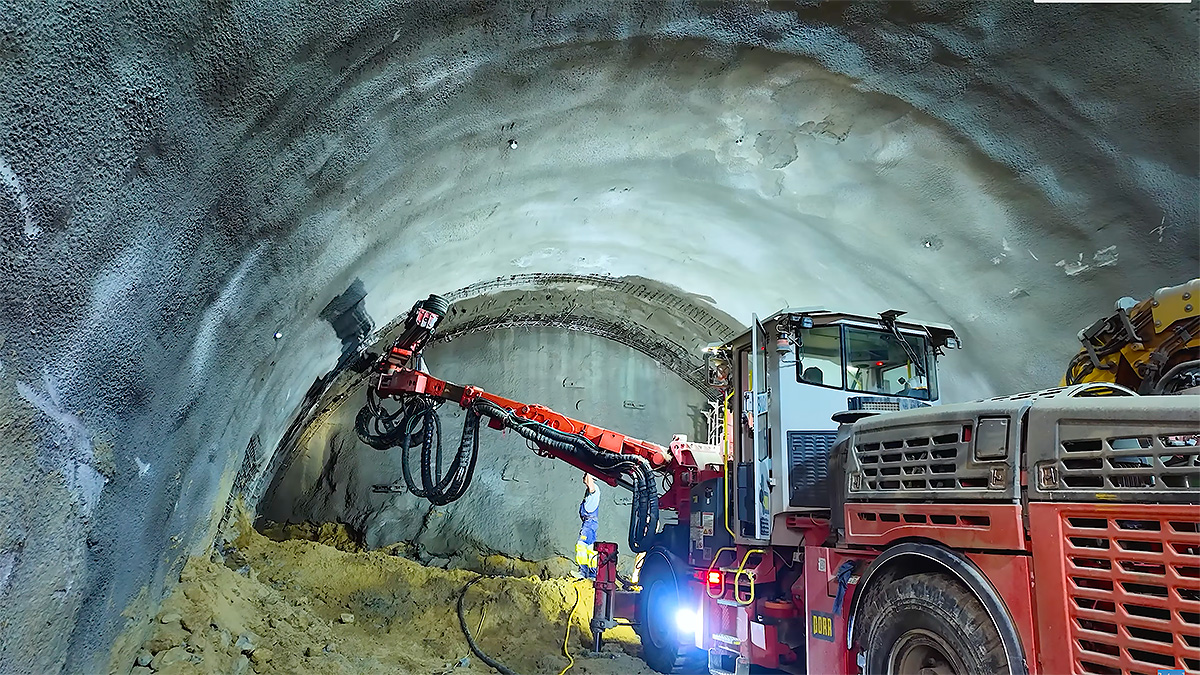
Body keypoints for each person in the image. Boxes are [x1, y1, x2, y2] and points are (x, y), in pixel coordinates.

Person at [575, 473, 601, 579]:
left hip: (589, 523)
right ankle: (591, 574)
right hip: (589, 522)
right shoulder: (589, 491)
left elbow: (591, 487)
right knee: (590, 548)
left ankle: (584, 572)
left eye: (585, 475)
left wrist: (589, 471)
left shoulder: (594, 489)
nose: (583, 477)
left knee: (581, 545)